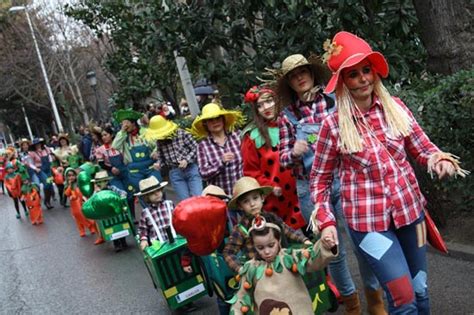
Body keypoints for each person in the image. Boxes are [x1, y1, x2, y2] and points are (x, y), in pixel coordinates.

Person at [311, 31, 469, 314]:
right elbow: (320, 180)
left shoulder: (395, 107)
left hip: (412, 214)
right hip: (368, 223)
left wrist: (439, 160)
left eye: (366, 70)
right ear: (343, 82)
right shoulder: (331, 126)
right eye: (353, 74)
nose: (363, 79)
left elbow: (423, 148)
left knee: (420, 290)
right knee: (403, 297)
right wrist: (326, 221)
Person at [276, 53, 379, 313]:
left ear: (312, 74)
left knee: (362, 242)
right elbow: (283, 159)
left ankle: (375, 299)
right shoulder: (287, 116)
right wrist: (294, 152)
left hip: (345, 181)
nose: (300, 78)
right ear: (290, 83)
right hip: (310, 189)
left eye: (303, 72)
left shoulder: (335, 102)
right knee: (333, 250)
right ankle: (352, 304)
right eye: (294, 76)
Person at [229, 212, 337, 315]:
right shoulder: (250, 269)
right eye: (260, 248)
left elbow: (313, 260)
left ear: (279, 240)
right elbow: (241, 298)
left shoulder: (290, 258)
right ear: (253, 245)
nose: (266, 252)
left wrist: (325, 246)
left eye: (271, 245)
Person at [242, 85, 305, 230]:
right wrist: (270, 187)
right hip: (276, 201)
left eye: (269, 101)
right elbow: (250, 171)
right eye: (260, 105)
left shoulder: (294, 123)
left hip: (302, 191)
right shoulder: (251, 137)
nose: (265, 108)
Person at [223, 176, 311, 274]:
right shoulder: (241, 229)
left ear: (262, 198)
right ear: (240, 206)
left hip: (281, 265)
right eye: (246, 201)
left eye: (255, 198)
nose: (252, 204)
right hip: (260, 274)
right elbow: (228, 253)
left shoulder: (271, 218)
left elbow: (287, 230)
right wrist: (241, 269)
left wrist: (304, 239)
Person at [144, 115, 203, 202]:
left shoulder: (182, 134)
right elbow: (161, 158)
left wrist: (186, 159)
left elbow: (196, 148)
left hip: (191, 169)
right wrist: (159, 164)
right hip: (175, 173)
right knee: (186, 202)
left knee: (198, 198)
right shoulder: (159, 141)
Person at [193, 103, 243, 196]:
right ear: (205, 124)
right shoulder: (203, 146)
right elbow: (203, 173)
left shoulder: (237, 136)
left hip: (242, 194)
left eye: (218, 118)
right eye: (210, 120)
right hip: (219, 198)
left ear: (223, 120)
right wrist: (221, 162)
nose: (215, 122)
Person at [111, 109, 162, 201]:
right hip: (135, 172)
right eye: (122, 124)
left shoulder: (145, 132)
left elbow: (158, 144)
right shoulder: (124, 137)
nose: (124, 125)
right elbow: (114, 146)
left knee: (158, 190)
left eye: (126, 123)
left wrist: (155, 151)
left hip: (150, 168)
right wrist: (122, 131)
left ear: (133, 123)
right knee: (142, 195)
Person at [91, 170, 129, 251]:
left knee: (120, 226)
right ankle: (116, 244)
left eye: (104, 181)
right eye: (100, 182)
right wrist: (97, 192)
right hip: (107, 215)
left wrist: (121, 196)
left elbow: (123, 193)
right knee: (112, 229)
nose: (102, 183)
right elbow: (93, 201)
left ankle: (123, 241)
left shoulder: (112, 188)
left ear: (107, 181)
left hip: (117, 212)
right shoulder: (97, 192)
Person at [136, 176, 173, 251]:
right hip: (158, 247)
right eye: (152, 193)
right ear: (146, 197)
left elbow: (178, 219)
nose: (157, 194)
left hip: (175, 239)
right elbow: (143, 229)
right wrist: (144, 240)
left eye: (158, 191)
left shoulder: (170, 204)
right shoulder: (145, 213)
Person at [64, 168, 97, 238]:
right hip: (74, 204)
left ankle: (91, 226)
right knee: (77, 218)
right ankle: (81, 230)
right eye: (69, 176)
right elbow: (66, 194)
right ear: (66, 177)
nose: (71, 177)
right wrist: (70, 186)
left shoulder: (79, 183)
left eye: (73, 175)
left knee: (84, 215)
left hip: (81, 201)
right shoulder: (67, 185)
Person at [29, 138, 54, 209]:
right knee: (47, 184)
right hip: (40, 170)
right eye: (36, 144)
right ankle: (46, 201)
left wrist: (52, 163)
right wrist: (35, 168)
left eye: (39, 144)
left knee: (50, 184)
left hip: (48, 169)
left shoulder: (46, 149)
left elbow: (50, 157)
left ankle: (48, 201)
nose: (38, 145)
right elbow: (30, 163)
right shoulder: (32, 153)